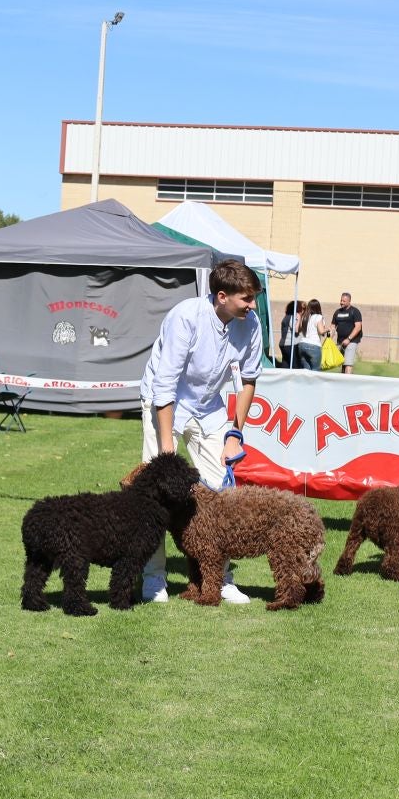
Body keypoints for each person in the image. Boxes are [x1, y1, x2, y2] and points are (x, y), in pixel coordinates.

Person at [139, 259, 264, 604]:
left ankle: (220, 578)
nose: (253, 306)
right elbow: (165, 383)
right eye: (247, 298)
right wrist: (167, 449)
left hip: (208, 407)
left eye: (254, 298)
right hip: (165, 401)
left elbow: (249, 380)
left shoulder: (251, 323)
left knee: (222, 495)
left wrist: (235, 434)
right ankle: (153, 578)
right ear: (222, 296)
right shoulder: (186, 317)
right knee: (155, 495)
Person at [330, 292, 363, 373]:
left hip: (351, 341)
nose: (341, 302)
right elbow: (333, 327)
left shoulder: (355, 311)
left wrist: (348, 339)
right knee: (342, 364)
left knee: (348, 364)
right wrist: (329, 339)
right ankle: (344, 380)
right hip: (340, 341)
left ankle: (348, 379)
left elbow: (358, 327)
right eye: (341, 300)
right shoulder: (337, 312)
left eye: (344, 301)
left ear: (349, 301)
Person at [292, 298, 323, 371]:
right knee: (315, 370)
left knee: (306, 371)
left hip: (302, 344)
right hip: (314, 345)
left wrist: (299, 318)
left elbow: (297, 330)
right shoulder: (319, 317)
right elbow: (321, 331)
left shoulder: (304, 317)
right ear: (318, 307)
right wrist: (328, 329)